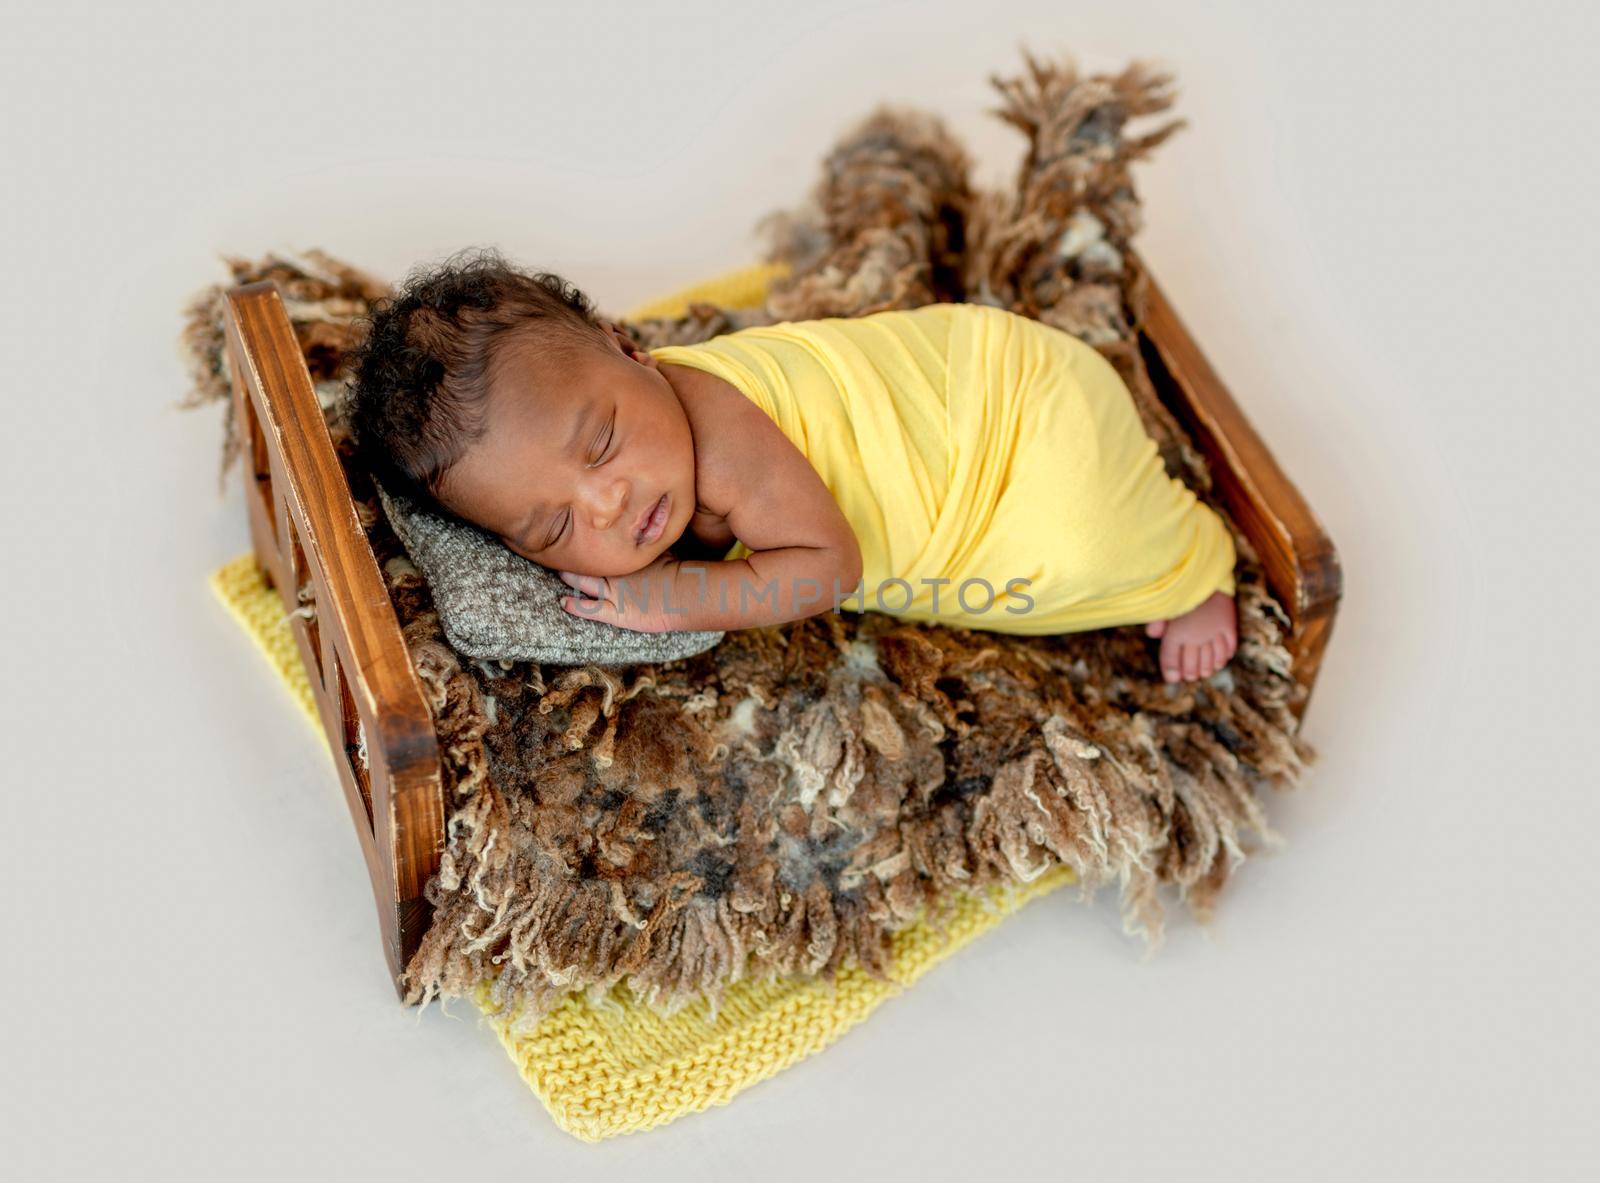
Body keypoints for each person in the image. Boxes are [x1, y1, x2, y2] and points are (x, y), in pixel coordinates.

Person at [347, 250, 1239, 683]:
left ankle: (1193, 567)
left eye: (602, 442)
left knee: (1077, 553)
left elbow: (829, 568)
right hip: (981, 377)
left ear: (632, 348)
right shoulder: (644, 447)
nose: (609, 501)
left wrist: (678, 599)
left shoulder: (721, 434)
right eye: (555, 527)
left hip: (1008, 418)